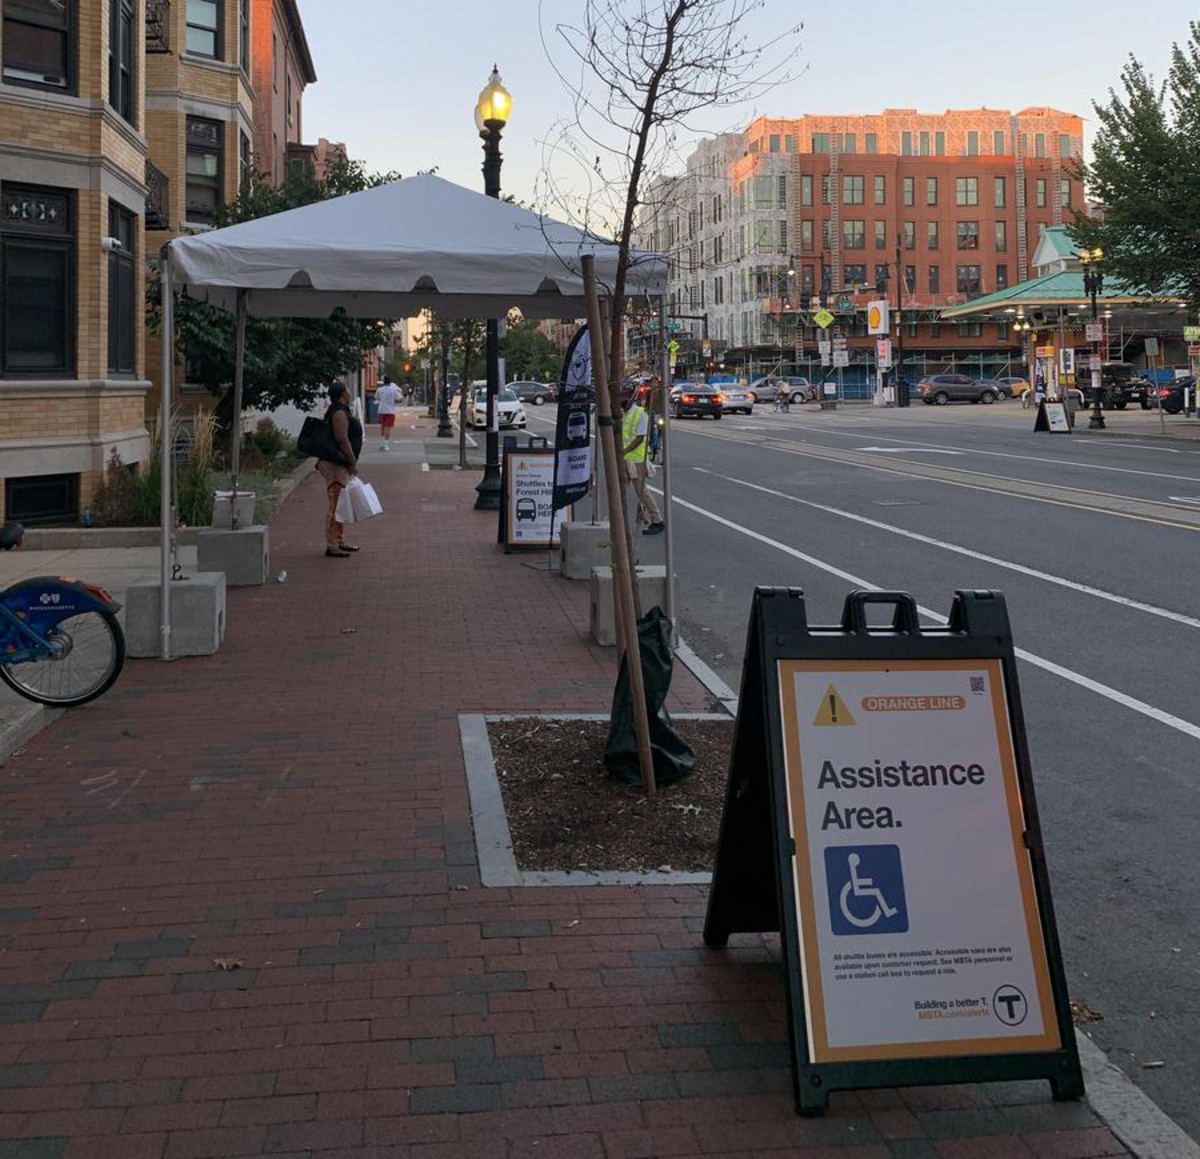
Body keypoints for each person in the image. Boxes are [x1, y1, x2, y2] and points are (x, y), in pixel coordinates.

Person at [317, 382, 363, 559]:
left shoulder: (341, 410)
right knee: (335, 504)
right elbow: (342, 439)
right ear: (343, 393)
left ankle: (339, 539)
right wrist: (352, 461)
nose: (350, 392)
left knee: (340, 503)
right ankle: (332, 545)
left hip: (338, 464)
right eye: (348, 389)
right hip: (335, 464)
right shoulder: (338, 412)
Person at [622, 385, 664, 536]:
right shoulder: (621, 413)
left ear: (630, 398)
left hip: (636, 458)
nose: (620, 400)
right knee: (619, 489)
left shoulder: (639, 414)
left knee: (641, 490)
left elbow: (639, 438)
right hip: (624, 458)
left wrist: (623, 451)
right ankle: (617, 519)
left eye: (623, 397)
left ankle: (657, 520)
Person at [376, 375, 401, 450]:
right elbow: (399, 399)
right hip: (390, 411)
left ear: (383, 382)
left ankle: (383, 443)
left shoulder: (379, 390)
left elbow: (377, 398)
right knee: (388, 428)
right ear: (390, 382)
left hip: (382, 410)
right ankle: (386, 445)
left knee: (382, 427)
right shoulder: (393, 390)